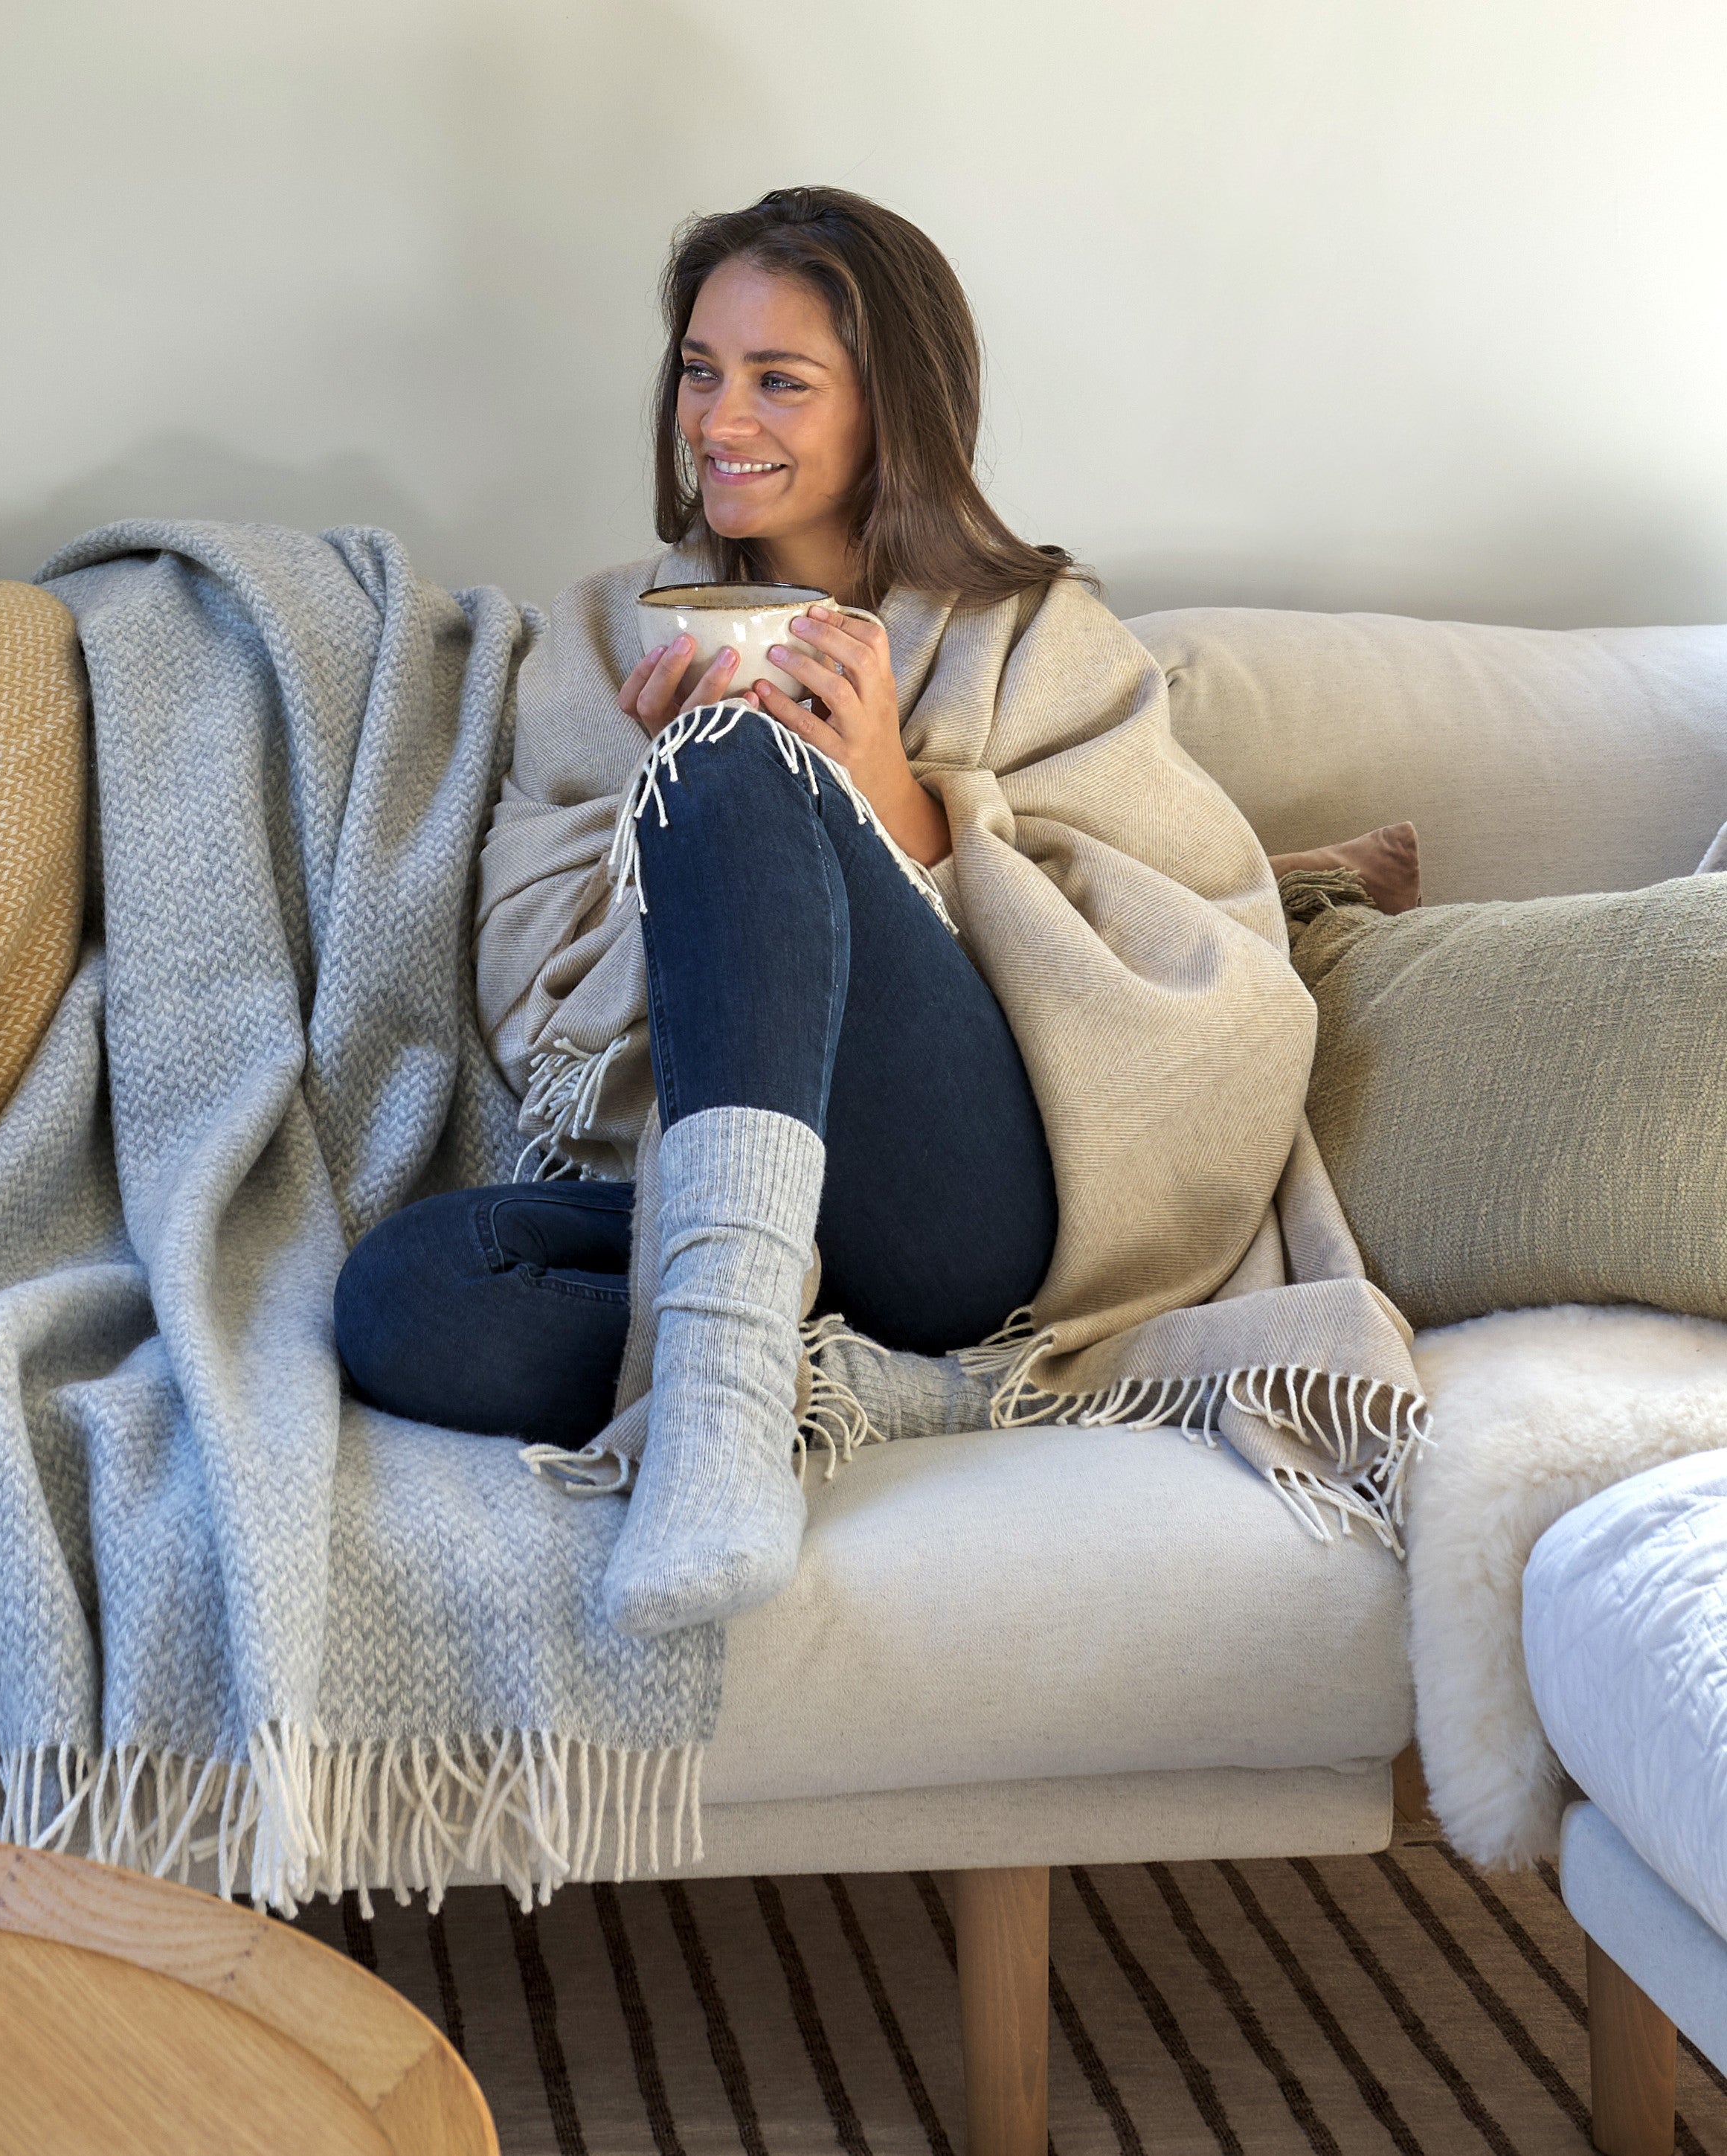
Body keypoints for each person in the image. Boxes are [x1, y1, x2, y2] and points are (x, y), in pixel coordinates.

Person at [332, 186, 1424, 1637]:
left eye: (779, 379)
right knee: (411, 1296)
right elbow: (538, 981)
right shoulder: (602, 635)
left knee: (739, 759)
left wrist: (894, 807)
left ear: (888, 411)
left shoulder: (1035, 637)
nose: (721, 416)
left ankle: (718, 1433)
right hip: (730, 1200)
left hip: (973, 1202)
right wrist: (691, 827)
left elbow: (1197, 968)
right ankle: (869, 1376)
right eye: (700, 369)